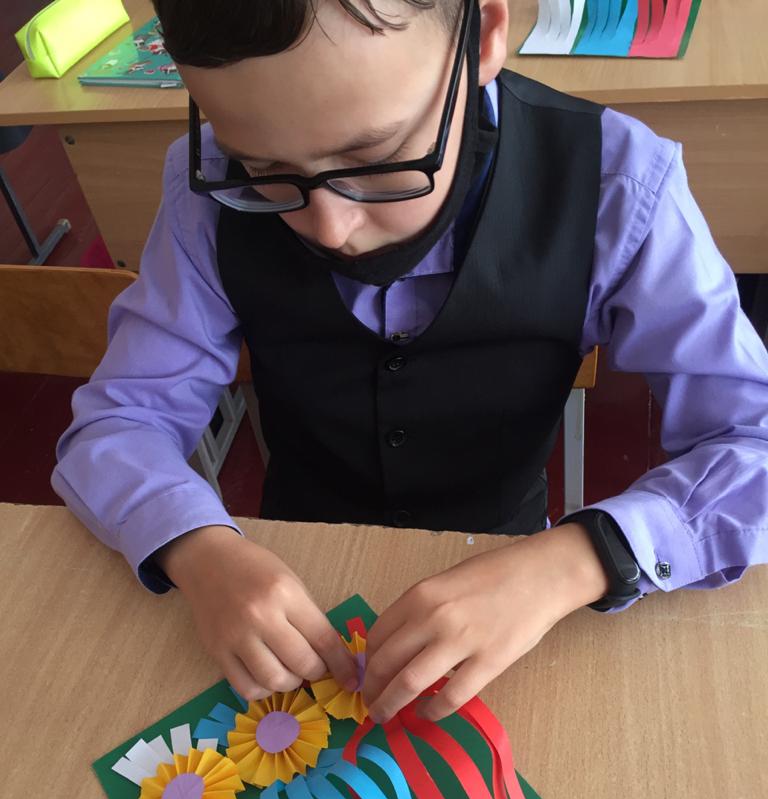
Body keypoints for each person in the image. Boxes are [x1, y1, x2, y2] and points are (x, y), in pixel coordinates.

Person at [53, 0, 768, 724]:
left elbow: (754, 441)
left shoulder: (618, 183)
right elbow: (119, 423)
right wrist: (196, 547)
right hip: (291, 573)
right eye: (265, 170)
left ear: (483, 37)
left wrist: (584, 558)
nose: (331, 228)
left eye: (376, 158)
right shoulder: (206, 188)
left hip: (514, 584)